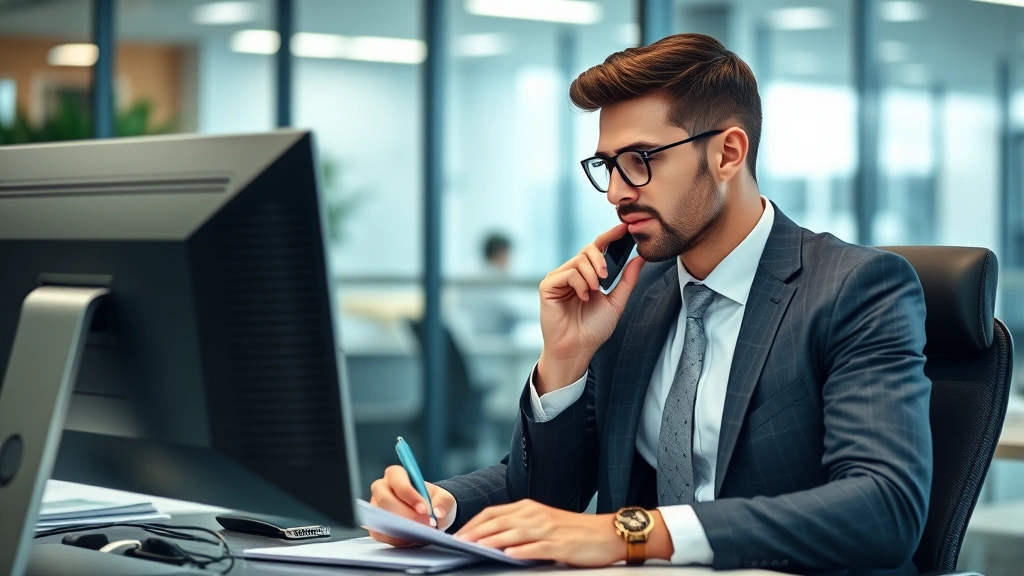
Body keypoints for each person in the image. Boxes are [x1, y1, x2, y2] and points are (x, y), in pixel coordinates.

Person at [368, 33, 932, 576]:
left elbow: (885, 506)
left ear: (727, 153)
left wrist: (632, 533)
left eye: (639, 158)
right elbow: (546, 494)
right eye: (607, 165)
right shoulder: (635, 295)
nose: (616, 191)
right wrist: (440, 502)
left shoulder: (855, 288)